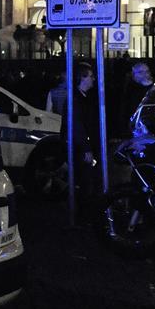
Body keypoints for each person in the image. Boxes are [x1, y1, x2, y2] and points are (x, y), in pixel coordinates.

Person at [61, 62, 100, 209]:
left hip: (81, 146)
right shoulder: (76, 100)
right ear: (82, 78)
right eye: (90, 76)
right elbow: (77, 126)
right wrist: (86, 148)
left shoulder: (84, 97)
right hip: (79, 148)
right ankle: (83, 210)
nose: (93, 79)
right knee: (85, 181)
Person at [119, 62, 153, 137]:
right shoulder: (129, 89)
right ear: (133, 74)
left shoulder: (154, 87)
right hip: (134, 127)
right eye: (141, 72)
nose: (145, 74)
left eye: (147, 71)